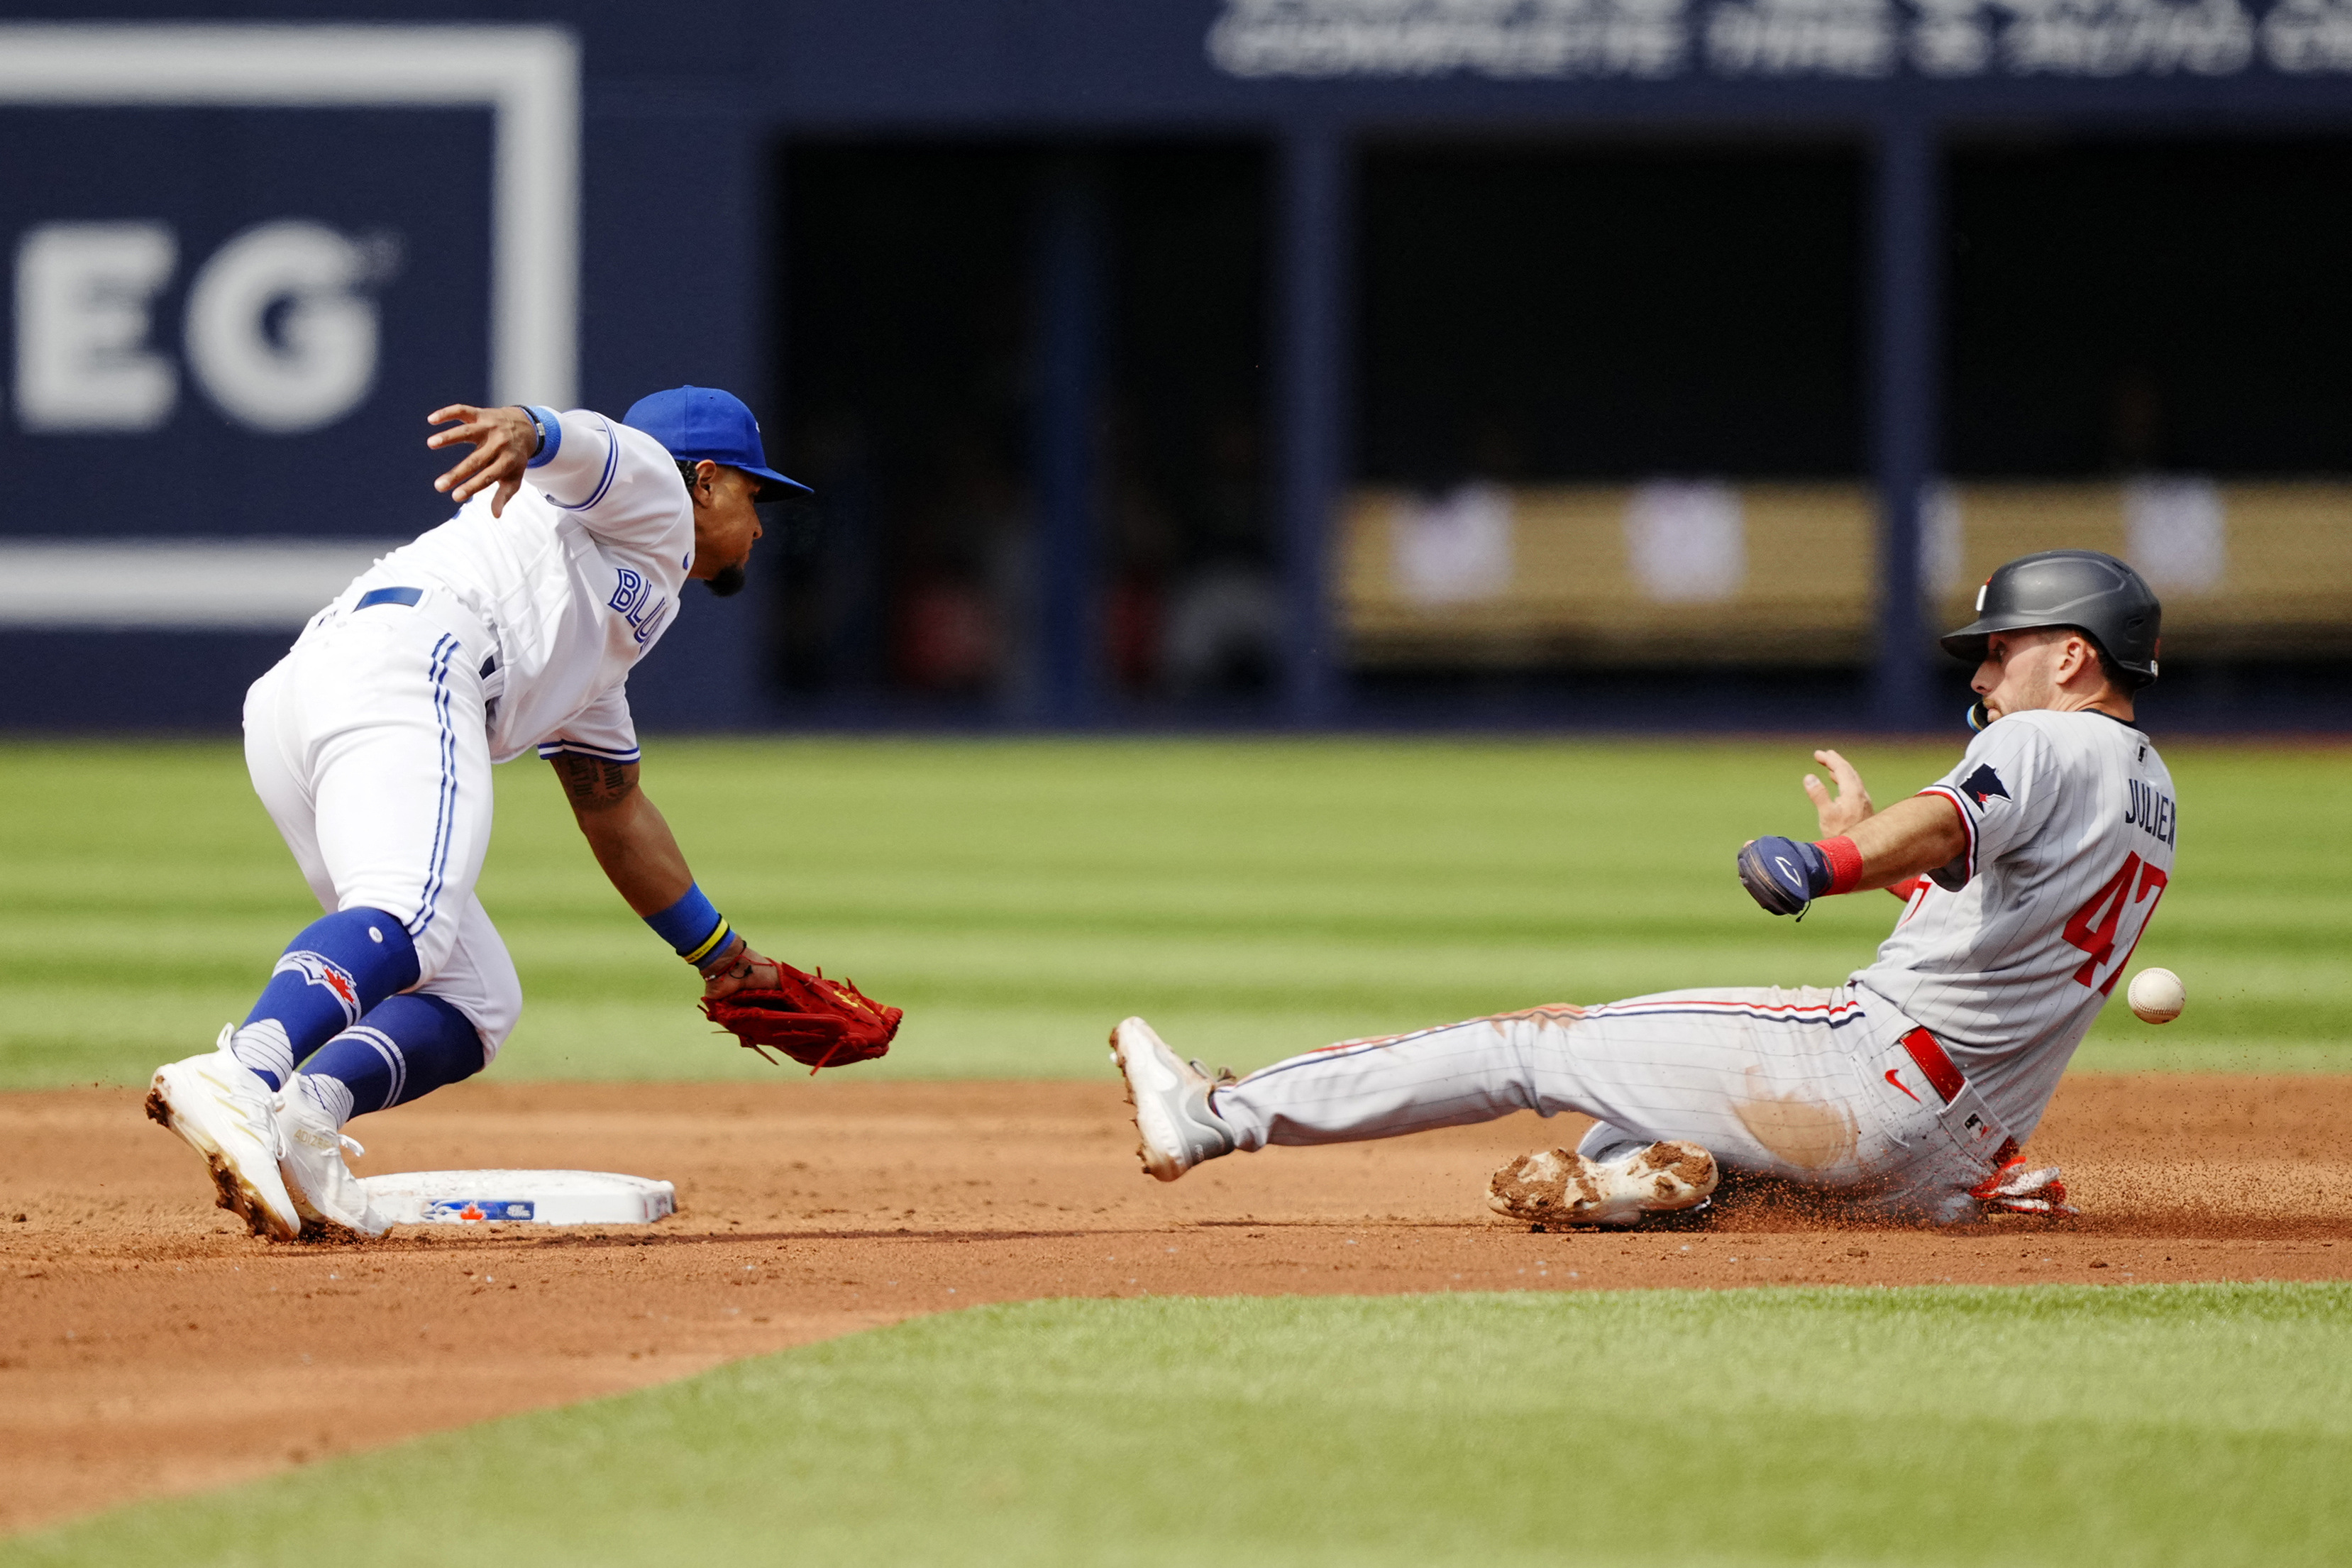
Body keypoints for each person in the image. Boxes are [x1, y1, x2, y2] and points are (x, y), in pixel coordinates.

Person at [1113, 550, 2175, 1227]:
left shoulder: (2041, 737)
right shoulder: (2150, 793)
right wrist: (1865, 852)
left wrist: (1826, 863)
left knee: (1530, 1044)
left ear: (2072, 658)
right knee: (1629, 1127)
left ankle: (1212, 1116)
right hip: (1951, 1157)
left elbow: (1944, 821)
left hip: (1864, 1074)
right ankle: (1636, 1187)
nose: (1982, 678)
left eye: (1999, 651)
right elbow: (1998, 932)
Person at [148, 387, 806, 1241]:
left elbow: (616, 814)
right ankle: (247, 1068)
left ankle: (305, 1114)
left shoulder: (599, 625)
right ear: (707, 479)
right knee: (410, 917)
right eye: (757, 495)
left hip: (309, 694)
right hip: (414, 658)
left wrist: (723, 956)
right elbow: (594, 447)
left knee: (476, 995)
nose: (760, 525)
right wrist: (529, 429)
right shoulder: (654, 492)